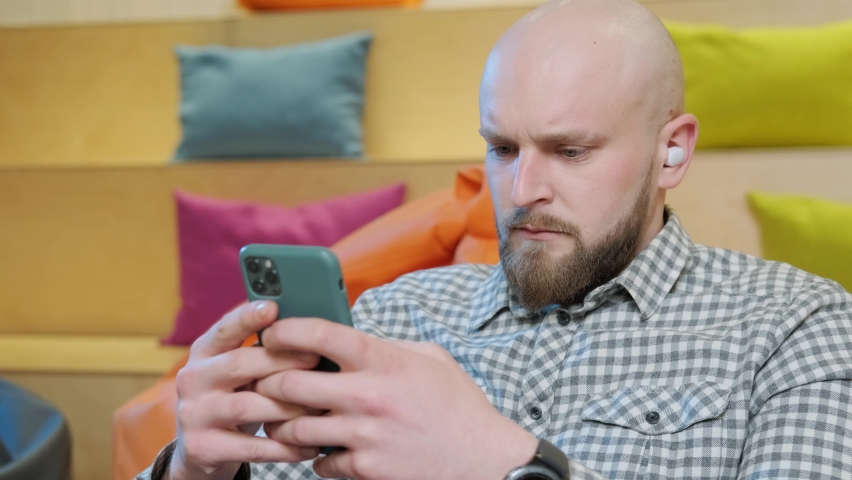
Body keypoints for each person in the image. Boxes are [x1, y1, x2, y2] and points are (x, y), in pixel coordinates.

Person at [139, 0, 852, 479]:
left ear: (671, 153)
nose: (519, 190)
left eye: (570, 151)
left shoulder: (795, 329)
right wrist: (193, 471)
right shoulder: (391, 319)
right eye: (503, 147)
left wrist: (501, 462)